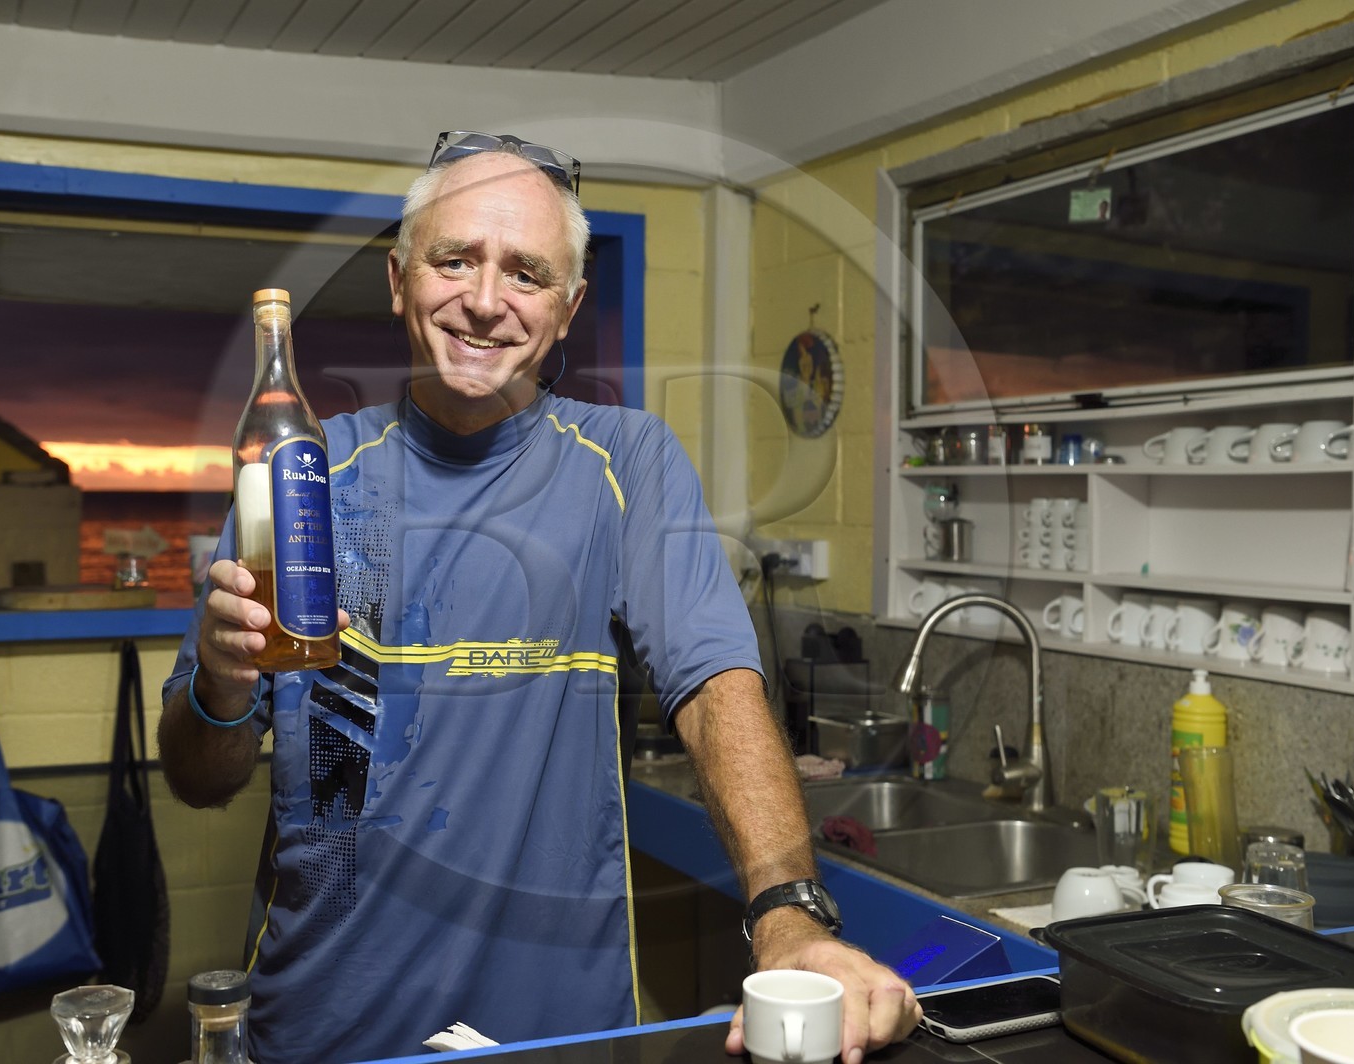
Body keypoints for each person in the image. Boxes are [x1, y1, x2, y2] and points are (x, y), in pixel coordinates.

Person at [159, 131, 920, 1063]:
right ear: (398, 280)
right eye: (454, 261)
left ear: (567, 308)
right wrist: (223, 687)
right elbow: (200, 779)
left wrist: (790, 914)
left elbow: (716, 685)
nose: (484, 301)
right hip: (320, 1033)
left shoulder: (627, 462)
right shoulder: (298, 478)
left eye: (525, 273)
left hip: (556, 1033)